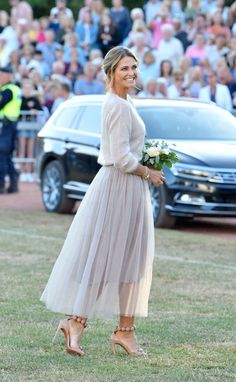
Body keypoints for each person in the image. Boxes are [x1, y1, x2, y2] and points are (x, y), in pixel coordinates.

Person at [40, 46, 165, 357]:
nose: (132, 73)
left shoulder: (122, 102)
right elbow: (122, 158)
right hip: (120, 186)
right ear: (111, 73)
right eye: (125, 68)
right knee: (117, 259)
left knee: (120, 259)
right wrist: (149, 172)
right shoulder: (118, 106)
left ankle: (94, 326)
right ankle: (100, 327)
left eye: (134, 67)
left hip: (121, 187)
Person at [0, 66, 22, 194]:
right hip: (10, 125)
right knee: (7, 156)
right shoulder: (14, 89)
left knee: (2, 155)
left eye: (1, 75)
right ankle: (13, 185)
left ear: (8, 76)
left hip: (6, 126)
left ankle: (1, 185)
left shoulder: (7, 90)